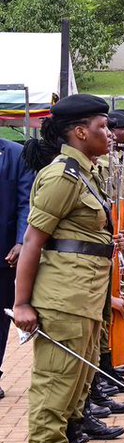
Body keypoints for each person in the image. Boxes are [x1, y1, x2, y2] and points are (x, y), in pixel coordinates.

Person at [10, 94, 114, 443]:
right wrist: (22, 303)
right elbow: (32, 241)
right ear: (80, 132)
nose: (109, 133)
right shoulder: (62, 176)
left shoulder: (85, 173)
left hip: (84, 295)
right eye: (102, 126)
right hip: (63, 299)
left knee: (74, 384)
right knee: (54, 386)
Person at [1, 133, 34, 400]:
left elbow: (26, 203)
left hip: (4, 255)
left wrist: (21, 241)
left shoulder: (15, 154)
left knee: (0, 318)